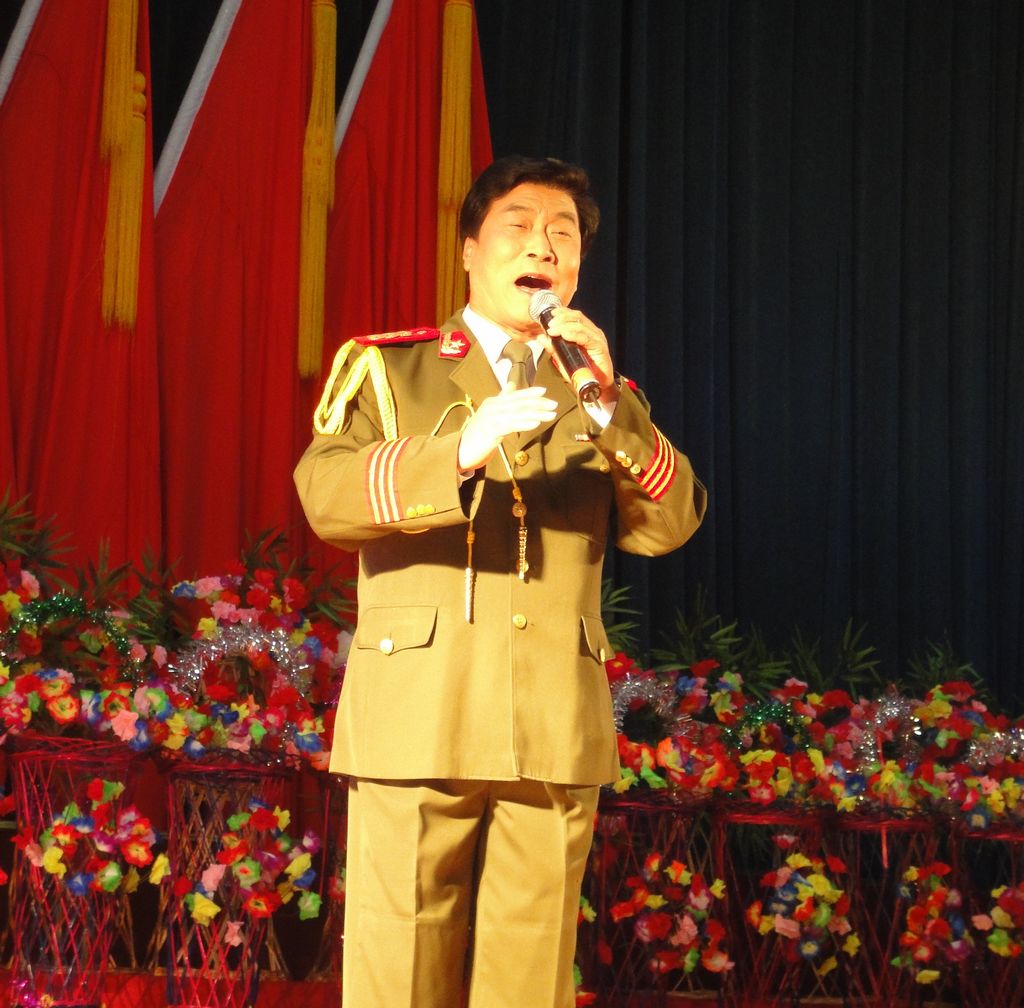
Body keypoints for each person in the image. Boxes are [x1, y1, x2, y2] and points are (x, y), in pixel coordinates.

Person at [294, 155, 706, 1008]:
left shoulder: (599, 393)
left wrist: (612, 410)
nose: (543, 246)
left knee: (529, 977)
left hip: (551, 717)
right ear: (470, 250)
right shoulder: (391, 369)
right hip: (421, 706)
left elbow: (669, 525)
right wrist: (459, 451)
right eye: (519, 227)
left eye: (563, 235)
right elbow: (325, 494)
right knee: (400, 969)